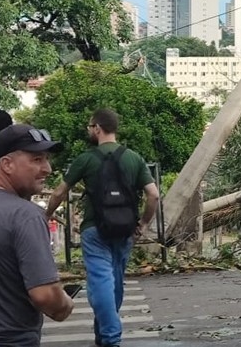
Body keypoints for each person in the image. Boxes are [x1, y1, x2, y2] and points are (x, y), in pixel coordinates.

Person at [45, 109, 160, 347]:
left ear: (97, 128)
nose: (89, 130)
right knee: (114, 282)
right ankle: (103, 335)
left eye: (89, 126)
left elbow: (59, 192)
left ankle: (110, 337)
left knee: (101, 281)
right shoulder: (134, 158)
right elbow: (153, 195)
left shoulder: (86, 158)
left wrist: (46, 214)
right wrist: (144, 223)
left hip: (95, 229)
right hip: (125, 230)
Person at [0, 124, 74, 343]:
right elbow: (46, 295)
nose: (47, 169)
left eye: (46, 159)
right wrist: (65, 304)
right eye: (37, 159)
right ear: (7, 164)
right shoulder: (26, 216)